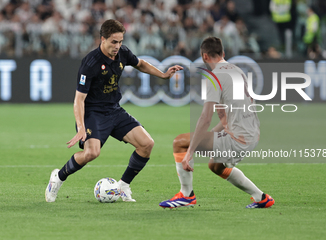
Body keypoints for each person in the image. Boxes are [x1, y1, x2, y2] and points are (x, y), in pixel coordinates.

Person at [45, 19, 182, 203]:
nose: (118, 46)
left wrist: (163, 74)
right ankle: (58, 177)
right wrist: (80, 127)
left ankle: (124, 186)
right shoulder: (90, 63)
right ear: (102, 39)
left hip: (114, 110)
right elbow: (79, 99)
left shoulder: (122, 53)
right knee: (91, 153)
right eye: (114, 42)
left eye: (120, 42)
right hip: (93, 113)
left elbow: (140, 63)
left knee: (146, 144)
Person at [159, 37, 274, 209]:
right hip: (252, 134)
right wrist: (208, 137)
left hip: (239, 138)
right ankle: (261, 197)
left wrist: (191, 151)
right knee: (216, 165)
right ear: (223, 54)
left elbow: (205, 117)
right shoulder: (237, 71)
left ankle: (186, 195)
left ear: (204, 57)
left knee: (180, 143)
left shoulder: (214, 77)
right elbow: (227, 117)